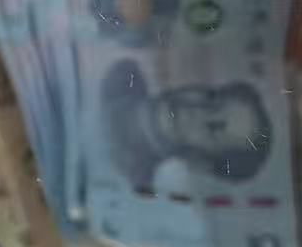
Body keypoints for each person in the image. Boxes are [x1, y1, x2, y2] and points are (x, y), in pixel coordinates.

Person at [101, 61, 272, 190]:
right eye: (212, 101)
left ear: (200, 163)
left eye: (214, 129)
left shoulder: (135, 188)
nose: (199, 113)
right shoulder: (122, 71)